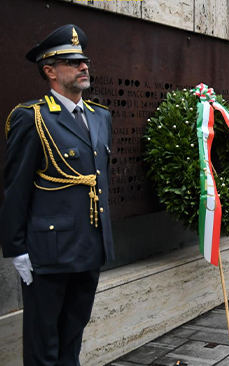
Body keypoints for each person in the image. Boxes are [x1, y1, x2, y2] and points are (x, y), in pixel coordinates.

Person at [0, 24, 114, 365]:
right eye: (72, 62)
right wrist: (16, 249)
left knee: (72, 339)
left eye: (85, 61)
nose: (83, 67)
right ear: (50, 71)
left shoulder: (100, 117)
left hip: (89, 247)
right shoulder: (32, 118)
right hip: (47, 253)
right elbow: (16, 188)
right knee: (42, 344)